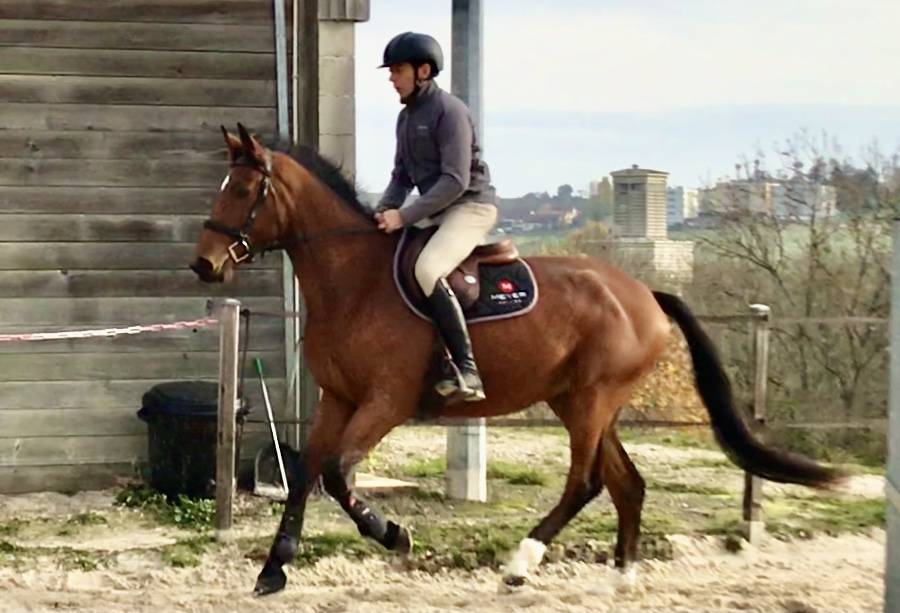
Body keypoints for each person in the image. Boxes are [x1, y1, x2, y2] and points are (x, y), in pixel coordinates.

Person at [375, 31, 498, 402]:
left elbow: (455, 181)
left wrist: (405, 215)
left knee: (427, 269)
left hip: (469, 207)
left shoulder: (450, 112)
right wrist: (382, 211)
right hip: (435, 211)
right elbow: (400, 177)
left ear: (423, 71)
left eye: (398, 70)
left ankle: (467, 369)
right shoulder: (405, 119)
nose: (391, 78)